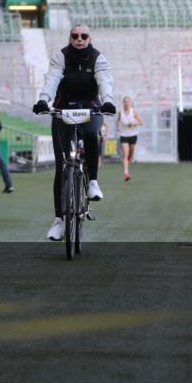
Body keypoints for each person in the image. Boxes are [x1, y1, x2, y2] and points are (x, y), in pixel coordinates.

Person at [33, 24, 115, 241]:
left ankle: (93, 183)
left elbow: (104, 80)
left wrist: (108, 101)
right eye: (75, 36)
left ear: (89, 38)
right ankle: (59, 220)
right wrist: (43, 99)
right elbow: (52, 78)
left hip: (91, 106)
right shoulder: (60, 57)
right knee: (61, 166)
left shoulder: (98, 58)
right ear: (70, 38)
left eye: (84, 36)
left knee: (90, 134)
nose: (79, 39)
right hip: (63, 108)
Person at [116, 96, 144, 182]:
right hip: (124, 135)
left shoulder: (134, 112)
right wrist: (117, 127)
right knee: (125, 154)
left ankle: (128, 159)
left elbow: (141, 122)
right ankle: (126, 173)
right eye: (124, 102)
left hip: (133, 135)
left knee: (130, 154)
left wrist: (134, 123)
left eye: (127, 102)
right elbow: (118, 121)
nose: (126, 103)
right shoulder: (120, 112)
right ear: (123, 103)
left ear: (130, 103)